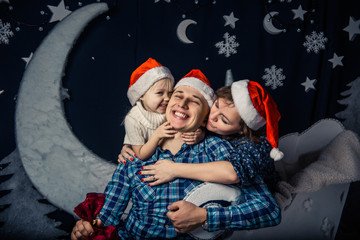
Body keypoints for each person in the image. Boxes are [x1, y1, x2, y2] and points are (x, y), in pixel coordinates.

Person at [71, 71, 281, 239]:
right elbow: (108, 213)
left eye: (195, 101)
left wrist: (206, 217)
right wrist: (89, 227)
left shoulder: (218, 150)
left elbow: (267, 210)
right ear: (167, 105)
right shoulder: (138, 151)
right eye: (178, 96)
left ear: (203, 118)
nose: (182, 103)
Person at [139, 80, 282, 192]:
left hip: (263, 185)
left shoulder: (256, 145)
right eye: (216, 105)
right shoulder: (208, 125)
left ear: (241, 131)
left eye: (224, 120)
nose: (212, 117)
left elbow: (232, 173)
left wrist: (173, 169)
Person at [122, 58, 203, 161]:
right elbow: (141, 155)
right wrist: (157, 135)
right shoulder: (133, 119)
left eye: (169, 93)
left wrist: (200, 134)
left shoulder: (171, 110)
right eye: (160, 93)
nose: (167, 98)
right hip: (150, 161)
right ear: (141, 95)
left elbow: (190, 126)